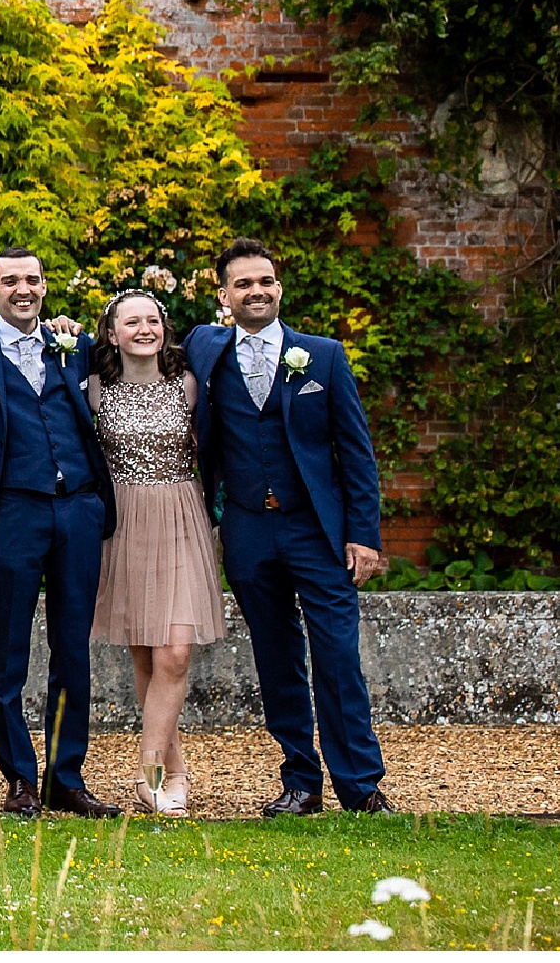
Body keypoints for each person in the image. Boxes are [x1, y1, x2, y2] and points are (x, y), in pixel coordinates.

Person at [186, 238, 393, 816]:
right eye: (244, 284)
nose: (258, 291)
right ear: (223, 295)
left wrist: (364, 534)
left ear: (278, 287)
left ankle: (360, 784)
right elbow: (132, 347)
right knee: (276, 660)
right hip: (249, 531)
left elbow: (356, 452)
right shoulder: (206, 348)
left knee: (337, 657)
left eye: (266, 281)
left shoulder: (321, 356)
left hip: (316, 532)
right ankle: (300, 782)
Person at [0, 248, 119, 818]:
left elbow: (151, 355)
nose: (24, 289)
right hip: (10, 510)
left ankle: (67, 776)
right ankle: (18, 776)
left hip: (78, 508)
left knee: (73, 648)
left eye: (33, 280)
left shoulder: (75, 345)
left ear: (45, 288)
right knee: (8, 646)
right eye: (10, 281)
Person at [87, 288, 225, 816]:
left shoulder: (188, 385)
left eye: (153, 320)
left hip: (180, 516)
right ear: (113, 333)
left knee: (175, 651)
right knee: (146, 652)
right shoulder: (95, 389)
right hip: (124, 523)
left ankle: (149, 777)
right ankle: (174, 773)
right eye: (132, 322)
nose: (144, 330)